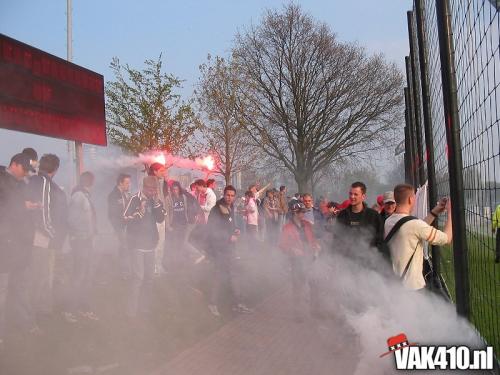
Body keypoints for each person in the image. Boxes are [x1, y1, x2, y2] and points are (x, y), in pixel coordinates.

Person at [384, 184, 452, 291]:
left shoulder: (389, 221)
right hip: (413, 288)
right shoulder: (415, 225)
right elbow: (447, 238)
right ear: (411, 199)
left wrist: (435, 212)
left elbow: (415, 230)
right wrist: (450, 213)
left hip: (395, 286)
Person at [0, 154, 36, 341]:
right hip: (4, 246)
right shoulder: (1, 180)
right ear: (13, 164)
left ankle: (23, 322)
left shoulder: (22, 184)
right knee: (2, 290)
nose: (25, 174)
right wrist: (23, 206)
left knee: (20, 286)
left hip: (20, 246)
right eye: (23, 169)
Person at [26, 154, 66, 317]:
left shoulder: (33, 180)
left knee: (36, 277)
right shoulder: (43, 182)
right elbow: (43, 212)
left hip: (31, 237)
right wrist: (53, 235)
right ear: (55, 170)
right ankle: (31, 315)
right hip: (40, 239)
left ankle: (34, 311)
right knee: (38, 277)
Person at [206, 185, 252, 317]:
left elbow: (229, 225)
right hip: (219, 249)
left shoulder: (230, 208)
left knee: (234, 275)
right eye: (228, 195)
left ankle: (237, 304)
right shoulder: (216, 210)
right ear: (223, 194)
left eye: (232, 196)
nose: (230, 198)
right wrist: (228, 237)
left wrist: (235, 230)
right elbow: (212, 231)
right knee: (218, 276)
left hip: (230, 249)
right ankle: (212, 303)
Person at [124, 176, 165, 318]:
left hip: (150, 245)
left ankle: (144, 309)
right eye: (150, 189)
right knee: (138, 278)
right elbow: (125, 218)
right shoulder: (134, 199)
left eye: (154, 190)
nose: (152, 192)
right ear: (144, 187)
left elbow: (161, 219)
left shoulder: (155, 201)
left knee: (149, 279)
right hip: (137, 245)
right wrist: (139, 212)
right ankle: (131, 312)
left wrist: (157, 204)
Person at [64, 171, 98, 323]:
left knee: (87, 276)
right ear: (90, 182)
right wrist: (80, 236)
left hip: (87, 242)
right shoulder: (78, 196)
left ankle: (84, 308)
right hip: (80, 242)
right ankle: (70, 310)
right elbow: (71, 220)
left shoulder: (85, 195)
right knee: (78, 277)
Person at [279, 202, 320, 321]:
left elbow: (312, 239)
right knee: (298, 287)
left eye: (303, 212)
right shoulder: (287, 227)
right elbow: (282, 245)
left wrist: (316, 245)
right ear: (294, 213)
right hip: (297, 261)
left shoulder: (307, 224)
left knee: (314, 284)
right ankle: (298, 312)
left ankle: (314, 309)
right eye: (300, 212)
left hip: (310, 259)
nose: (303, 214)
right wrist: (291, 249)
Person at [164, 181, 203, 271]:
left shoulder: (184, 197)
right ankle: (174, 263)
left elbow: (187, 209)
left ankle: (180, 262)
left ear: (179, 189)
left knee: (182, 243)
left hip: (183, 224)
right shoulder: (168, 198)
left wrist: (193, 216)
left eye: (176, 189)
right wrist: (168, 226)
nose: (175, 191)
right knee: (174, 244)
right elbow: (166, 213)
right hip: (174, 225)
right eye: (173, 189)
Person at [336, 182, 384, 250]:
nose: (352, 197)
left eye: (355, 194)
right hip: (345, 258)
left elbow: (379, 241)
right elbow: (336, 239)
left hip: (368, 258)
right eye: (350, 194)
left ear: (363, 196)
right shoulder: (342, 215)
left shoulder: (374, 216)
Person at [107, 173, 131, 279]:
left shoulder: (126, 194)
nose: (129, 185)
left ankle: (125, 270)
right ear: (120, 183)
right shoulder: (113, 195)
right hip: (120, 227)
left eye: (129, 183)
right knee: (124, 248)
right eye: (127, 183)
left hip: (126, 226)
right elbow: (112, 214)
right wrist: (119, 225)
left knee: (125, 248)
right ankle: (124, 272)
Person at [148, 163, 168, 275]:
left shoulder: (160, 182)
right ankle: (154, 268)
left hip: (161, 217)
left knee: (161, 243)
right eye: (161, 170)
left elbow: (164, 198)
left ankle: (158, 266)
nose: (164, 172)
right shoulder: (150, 183)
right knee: (156, 243)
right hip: (155, 219)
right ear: (155, 171)